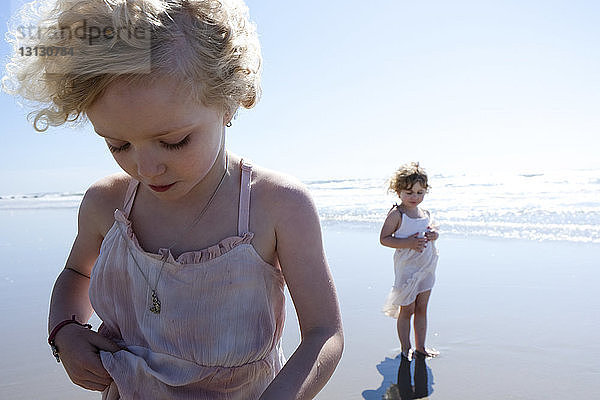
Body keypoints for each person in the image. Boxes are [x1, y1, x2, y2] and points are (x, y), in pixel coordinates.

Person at [3, 1, 343, 399]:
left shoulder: (276, 206)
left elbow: (324, 333)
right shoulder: (106, 205)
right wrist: (65, 332)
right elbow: (78, 274)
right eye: (119, 144)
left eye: (174, 141)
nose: (146, 168)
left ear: (230, 99)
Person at [379, 162, 439, 360]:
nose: (415, 197)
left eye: (420, 192)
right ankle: (406, 348)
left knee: (422, 308)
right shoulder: (397, 214)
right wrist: (409, 243)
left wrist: (433, 235)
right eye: (409, 192)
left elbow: (432, 231)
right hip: (407, 268)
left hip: (427, 267)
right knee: (407, 309)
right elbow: (384, 239)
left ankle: (421, 346)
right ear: (398, 191)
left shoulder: (425, 213)